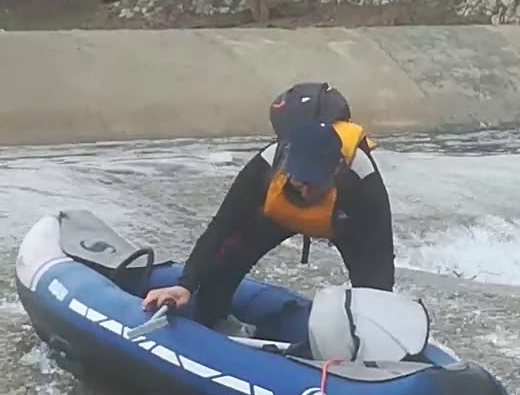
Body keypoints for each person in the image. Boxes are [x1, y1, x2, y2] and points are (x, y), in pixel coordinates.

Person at [141, 82, 395, 334]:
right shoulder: (268, 163)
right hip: (279, 211)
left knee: (371, 292)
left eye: (315, 184)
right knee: (227, 258)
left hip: (344, 219)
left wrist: (378, 322)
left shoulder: (362, 179)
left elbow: (381, 255)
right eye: (300, 181)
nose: (306, 191)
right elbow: (221, 226)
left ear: (336, 169)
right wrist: (186, 284)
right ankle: (214, 320)